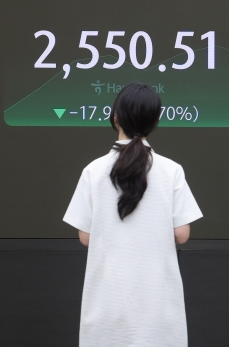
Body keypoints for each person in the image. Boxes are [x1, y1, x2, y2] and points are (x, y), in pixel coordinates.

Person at [63, 82, 203, 346]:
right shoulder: (171, 170)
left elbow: (85, 237)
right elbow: (181, 234)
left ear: (115, 116)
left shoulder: (93, 171)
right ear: (156, 121)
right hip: (158, 307)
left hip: (107, 304)